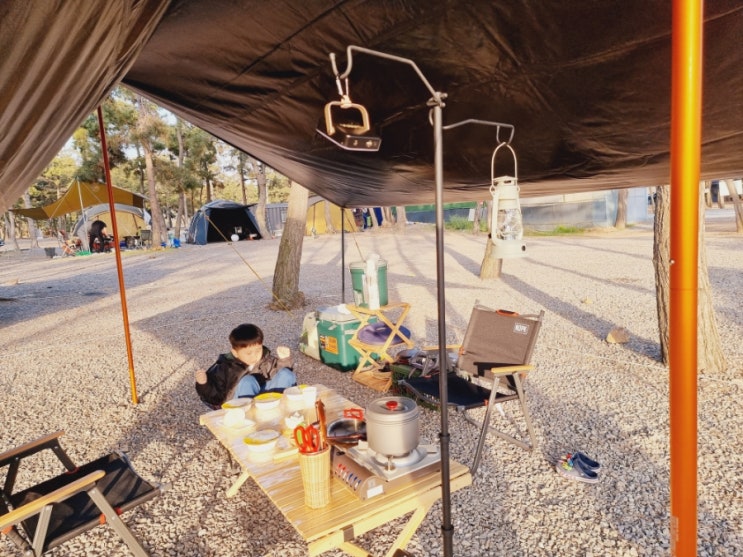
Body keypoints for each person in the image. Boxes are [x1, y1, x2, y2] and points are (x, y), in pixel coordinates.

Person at [195, 323, 296, 408]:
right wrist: (204, 384)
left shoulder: (266, 360)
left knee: (286, 374)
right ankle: (250, 417)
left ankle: (284, 408)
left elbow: (281, 378)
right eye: (248, 353)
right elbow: (215, 398)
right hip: (241, 405)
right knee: (248, 381)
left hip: (265, 400)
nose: (254, 356)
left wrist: (284, 360)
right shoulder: (226, 368)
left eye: (258, 350)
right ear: (235, 353)